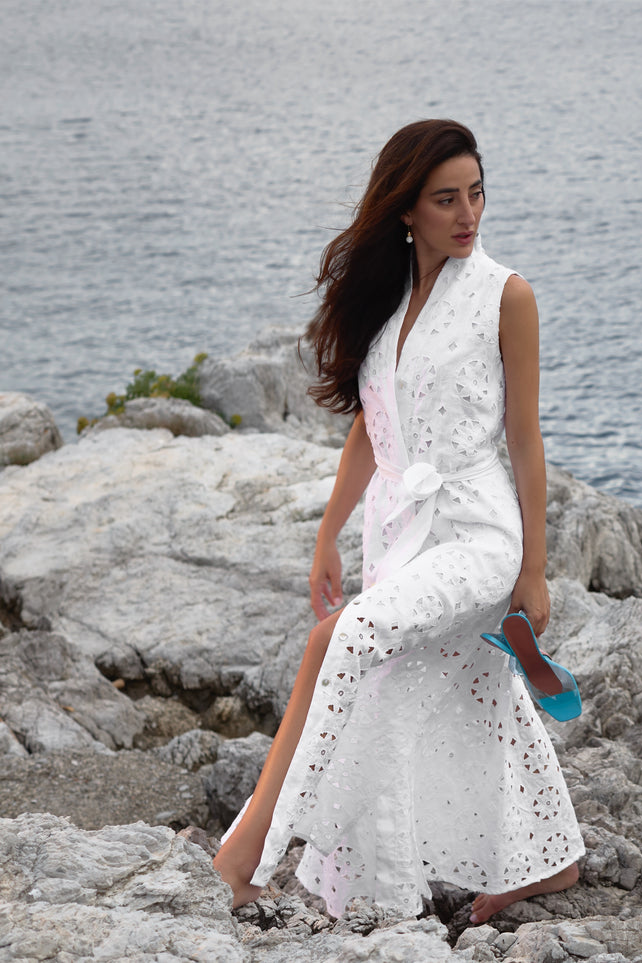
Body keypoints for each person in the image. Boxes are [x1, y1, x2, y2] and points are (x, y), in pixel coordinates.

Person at [212, 119, 582, 924]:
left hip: (481, 537)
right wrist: (326, 532)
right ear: (406, 209)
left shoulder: (505, 294)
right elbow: (369, 429)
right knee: (463, 691)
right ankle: (551, 858)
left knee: (338, 640)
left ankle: (252, 847)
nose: (467, 214)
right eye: (446, 199)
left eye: (476, 194)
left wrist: (534, 569)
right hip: (405, 536)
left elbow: (525, 437)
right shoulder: (390, 301)